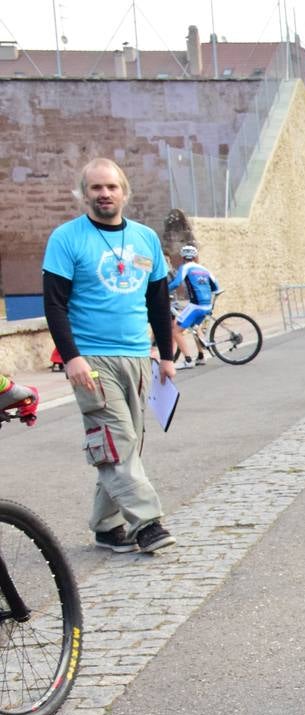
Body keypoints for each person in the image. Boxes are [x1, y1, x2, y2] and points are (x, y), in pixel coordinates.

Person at [42, 157, 177, 554]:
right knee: (115, 441)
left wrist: (165, 354)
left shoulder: (145, 238)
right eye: (96, 188)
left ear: (125, 192)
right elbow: (54, 304)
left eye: (111, 187)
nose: (104, 194)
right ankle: (147, 523)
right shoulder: (66, 238)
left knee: (127, 443)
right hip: (92, 359)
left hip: (137, 357)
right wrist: (71, 357)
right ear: (84, 194)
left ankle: (105, 526)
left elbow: (158, 299)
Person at [166, 244, 219, 369]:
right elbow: (216, 286)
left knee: (176, 330)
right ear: (195, 256)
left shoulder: (185, 267)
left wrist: (163, 290)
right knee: (194, 327)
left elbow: (177, 283)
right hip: (207, 305)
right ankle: (201, 356)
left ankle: (188, 360)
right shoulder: (204, 269)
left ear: (182, 257)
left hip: (196, 306)